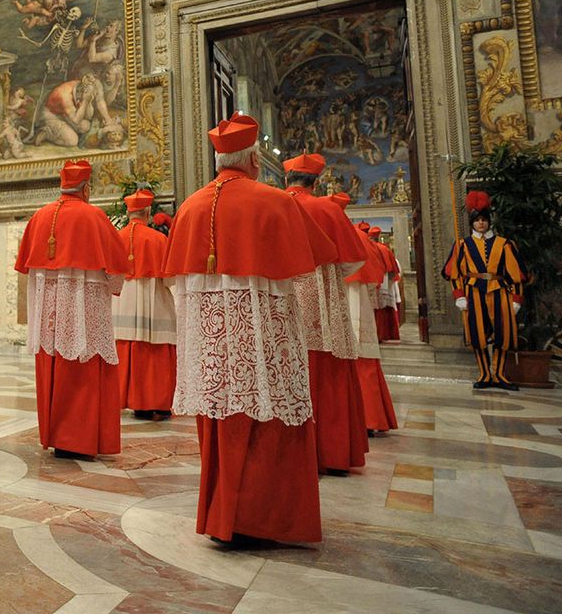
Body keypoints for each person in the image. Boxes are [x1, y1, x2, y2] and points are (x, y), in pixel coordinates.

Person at [163, 114, 334, 544]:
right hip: (264, 339)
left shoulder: (189, 207)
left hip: (213, 347)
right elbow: (310, 266)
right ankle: (264, 520)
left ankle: (222, 517)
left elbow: (174, 282)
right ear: (255, 158)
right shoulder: (274, 200)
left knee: (222, 418)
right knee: (270, 415)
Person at [15, 159, 130, 459]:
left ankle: (56, 436)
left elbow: (27, 267)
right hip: (83, 311)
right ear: (86, 188)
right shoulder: (93, 216)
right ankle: (78, 440)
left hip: (49, 318)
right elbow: (116, 267)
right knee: (82, 364)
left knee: (53, 363)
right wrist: (113, 286)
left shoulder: (40, 217)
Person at [284, 154, 370, 475]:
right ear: (316, 183)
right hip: (324, 299)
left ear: (287, 179)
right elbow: (354, 260)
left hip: (284, 297)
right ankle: (332, 453)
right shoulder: (329, 209)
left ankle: (293, 454)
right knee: (328, 368)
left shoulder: (276, 204)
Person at [442, 191, 527, 391]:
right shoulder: (462, 245)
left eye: (484, 220)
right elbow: (455, 274)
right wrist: (459, 296)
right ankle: (484, 374)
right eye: (477, 220)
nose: (481, 223)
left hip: (500, 293)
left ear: (489, 222)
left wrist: (516, 299)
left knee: (502, 334)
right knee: (478, 335)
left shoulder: (504, 244)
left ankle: (499, 374)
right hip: (474, 294)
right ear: (472, 222)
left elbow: (516, 274)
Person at [112, 189, 178, 420]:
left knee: (127, 348)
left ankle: (135, 402)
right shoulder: (159, 239)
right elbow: (171, 279)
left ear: (128, 213)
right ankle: (158, 403)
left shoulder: (115, 238)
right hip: (154, 302)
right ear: (148, 212)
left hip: (121, 303)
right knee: (155, 350)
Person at [343, 215, 400, 434]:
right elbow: (379, 272)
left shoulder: (350, 236)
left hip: (348, 295)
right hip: (360, 295)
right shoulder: (365, 241)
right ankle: (370, 417)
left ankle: (365, 418)